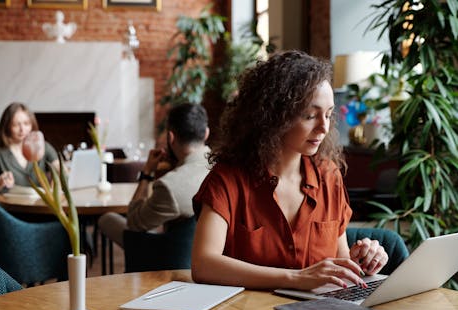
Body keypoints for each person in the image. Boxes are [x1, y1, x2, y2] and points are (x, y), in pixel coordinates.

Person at [191, 50, 389, 290]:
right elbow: (203, 265)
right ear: (274, 117)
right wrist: (295, 278)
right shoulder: (228, 179)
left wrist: (363, 260)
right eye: (310, 116)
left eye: (328, 115)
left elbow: (341, 260)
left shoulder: (329, 177)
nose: (323, 127)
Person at [98, 102, 210, 247]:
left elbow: (133, 223)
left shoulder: (170, 186)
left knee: (107, 219)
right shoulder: (222, 167)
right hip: (202, 253)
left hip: (164, 258)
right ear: (206, 133)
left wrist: (147, 173)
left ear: (171, 137)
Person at [0, 102, 60, 198]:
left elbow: (59, 168)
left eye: (26, 124)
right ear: (7, 126)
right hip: (10, 210)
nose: (22, 129)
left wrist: (62, 172)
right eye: (16, 125)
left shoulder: (43, 146)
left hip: (39, 207)